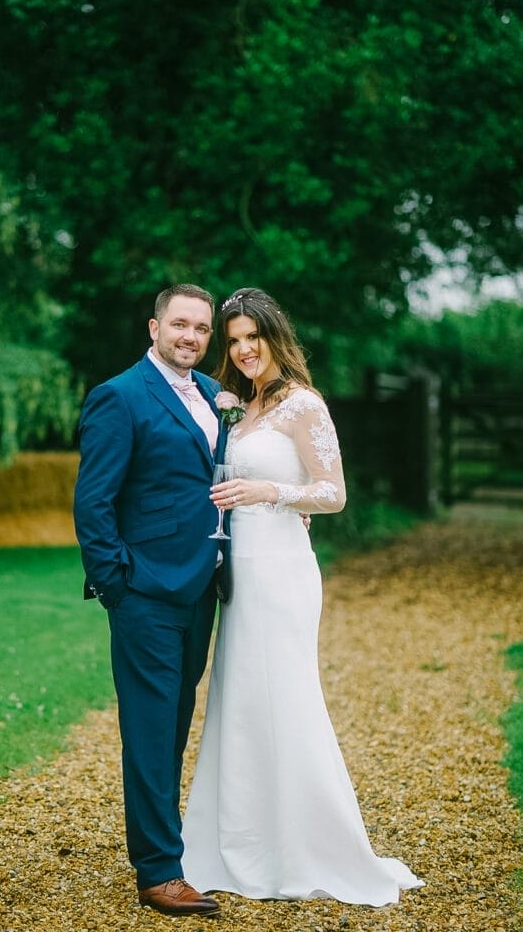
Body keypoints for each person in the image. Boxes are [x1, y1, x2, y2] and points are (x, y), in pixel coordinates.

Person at [181, 287, 424, 905]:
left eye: (250, 338)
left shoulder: (302, 405)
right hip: (238, 570)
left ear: (273, 336)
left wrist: (270, 493)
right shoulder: (237, 404)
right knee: (237, 699)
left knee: (283, 697)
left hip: (282, 569)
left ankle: (304, 846)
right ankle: (237, 841)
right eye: (232, 341)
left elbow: (334, 494)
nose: (241, 350)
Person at [73, 284, 228, 917]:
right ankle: (158, 872)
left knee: (172, 730)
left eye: (201, 328)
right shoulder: (120, 396)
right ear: (154, 326)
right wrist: (116, 584)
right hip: (144, 594)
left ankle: (169, 851)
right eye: (180, 325)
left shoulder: (220, 398)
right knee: (149, 730)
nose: (190, 337)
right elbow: (94, 501)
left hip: (201, 591)